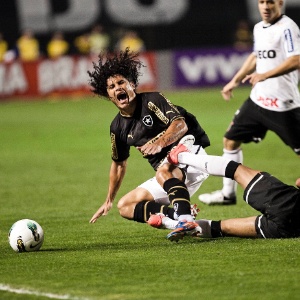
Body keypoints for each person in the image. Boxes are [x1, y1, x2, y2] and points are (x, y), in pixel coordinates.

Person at [88, 48, 210, 226]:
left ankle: (185, 218)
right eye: (112, 87)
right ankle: (177, 220)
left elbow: (180, 124)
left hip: (191, 155)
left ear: (132, 84)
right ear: (108, 95)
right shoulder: (117, 128)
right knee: (125, 206)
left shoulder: (151, 101)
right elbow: (119, 164)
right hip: (170, 178)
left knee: (164, 171)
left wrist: (160, 143)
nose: (118, 88)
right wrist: (109, 200)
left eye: (121, 82)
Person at [199, 0, 300, 205]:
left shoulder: (288, 27)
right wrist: (234, 80)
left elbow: (296, 59)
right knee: (230, 140)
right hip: (257, 100)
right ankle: (228, 194)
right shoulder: (258, 27)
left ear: (280, 3)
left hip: (282, 104)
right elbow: (255, 56)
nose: (265, 6)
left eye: (270, 2)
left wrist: (265, 74)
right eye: (261, 2)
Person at [148, 135, 300, 240]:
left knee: (236, 171)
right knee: (220, 228)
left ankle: (181, 156)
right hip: (289, 231)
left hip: (290, 205)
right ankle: (169, 223)